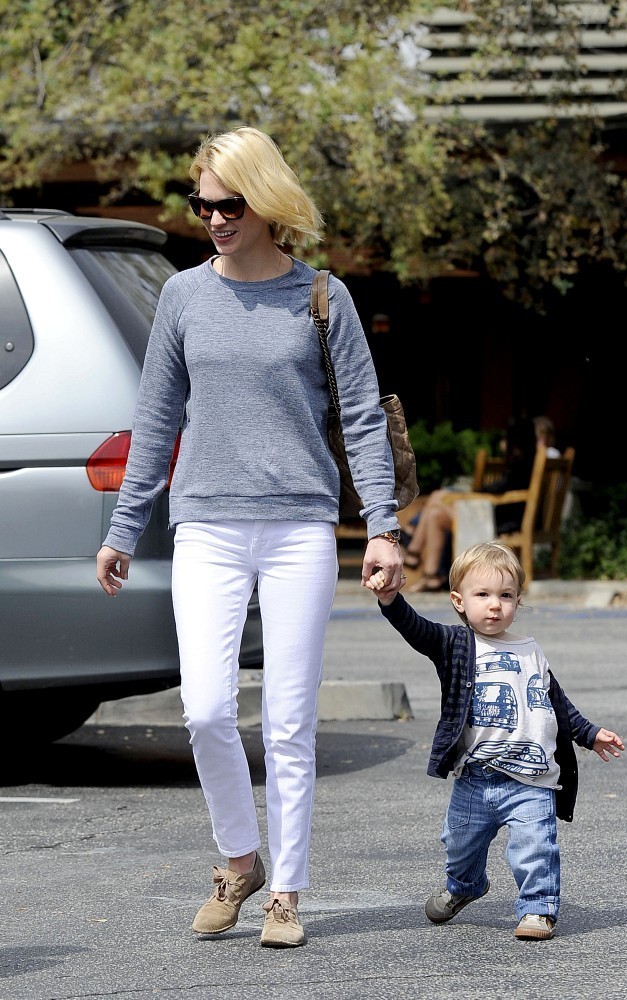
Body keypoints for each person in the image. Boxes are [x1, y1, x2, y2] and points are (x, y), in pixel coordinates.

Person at [95, 125, 404, 949]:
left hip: (300, 525)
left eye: (230, 203)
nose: (214, 218)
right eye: (202, 204)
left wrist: (382, 527)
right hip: (206, 524)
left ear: (265, 201)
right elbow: (156, 419)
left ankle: (286, 895)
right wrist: (124, 527)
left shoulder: (323, 297)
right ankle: (240, 860)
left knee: (290, 724)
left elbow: (362, 420)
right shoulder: (183, 297)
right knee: (204, 711)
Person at [365, 541, 624, 940]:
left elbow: (556, 703)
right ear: (459, 600)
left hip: (531, 778)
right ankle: (465, 885)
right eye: (482, 595)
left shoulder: (530, 650)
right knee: (459, 845)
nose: (494, 606)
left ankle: (538, 909)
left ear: (518, 600)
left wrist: (589, 733)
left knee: (536, 846)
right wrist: (390, 600)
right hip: (476, 779)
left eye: (505, 596)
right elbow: (416, 629)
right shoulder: (454, 644)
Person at [404, 415, 538, 592]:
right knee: (436, 507)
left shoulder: (521, 462)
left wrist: (474, 493)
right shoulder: (531, 459)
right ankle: (430, 574)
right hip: (503, 514)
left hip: (502, 520)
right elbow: (503, 486)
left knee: (437, 506)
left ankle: (419, 556)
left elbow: (502, 488)